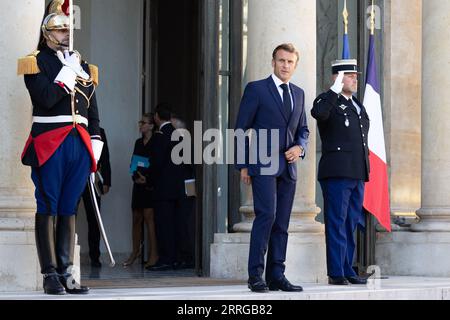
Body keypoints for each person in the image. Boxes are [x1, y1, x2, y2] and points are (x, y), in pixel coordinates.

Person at [17, 0, 103, 295]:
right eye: (59, 29)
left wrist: (96, 143)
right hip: (50, 140)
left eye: (68, 28)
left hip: (79, 143)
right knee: (49, 205)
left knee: (69, 207)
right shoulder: (36, 61)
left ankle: (67, 272)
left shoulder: (82, 63)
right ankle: (49, 274)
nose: (66, 33)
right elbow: (45, 98)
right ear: (46, 33)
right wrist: (65, 74)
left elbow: (92, 110)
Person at [234, 43, 309, 292]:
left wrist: (300, 148)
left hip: (288, 167)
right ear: (273, 62)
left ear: (295, 65)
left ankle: (277, 274)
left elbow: (303, 130)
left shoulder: (298, 93)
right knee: (266, 216)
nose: (285, 65)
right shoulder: (256, 89)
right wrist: (243, 165)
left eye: (290, 62)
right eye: (281, 61)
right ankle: (255, 276)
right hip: (262, 163)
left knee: (282, 223)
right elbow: (240, 129)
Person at [311, 59, 370, 285]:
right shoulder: (327, 101)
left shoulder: (357, 105)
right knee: (336, 222)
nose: (355, 79)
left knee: (350, 223)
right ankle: (336, 272)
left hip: (357, 172)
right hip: (337, 172)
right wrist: (333, 91)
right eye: (349, 75)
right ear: (336, 78)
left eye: (356, 75)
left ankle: (347, 269)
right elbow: (320, 114)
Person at [147, 104, 189, 271]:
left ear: (157, 117)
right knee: (176, 225)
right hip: (178, 189)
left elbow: (156, 163)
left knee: (164, 226)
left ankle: (166, 259)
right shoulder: (179, 134)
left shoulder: (160, 136)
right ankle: (178, 257)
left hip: (163, 189)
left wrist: (149, 181)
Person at [123, 113, 159, 269]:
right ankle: (135, 252)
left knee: (149, 219)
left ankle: (153, 254)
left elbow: (156, 164)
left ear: (151, 125)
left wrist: (147, 178)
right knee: (136, 218)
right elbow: (134, 161)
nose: (140, 125)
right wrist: (136, 176)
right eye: (140, 122)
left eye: (143, 123)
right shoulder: (138, 142)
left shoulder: (156, 141)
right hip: (138, 184)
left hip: (150, 185)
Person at [79, 127, 111, 268]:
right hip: (75, 177)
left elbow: (105, 157)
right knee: (68, 215)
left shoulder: (99, 130)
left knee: (94, 219)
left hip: (92, 178)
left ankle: (95, 256)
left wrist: (107, 181)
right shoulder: (75, 128)